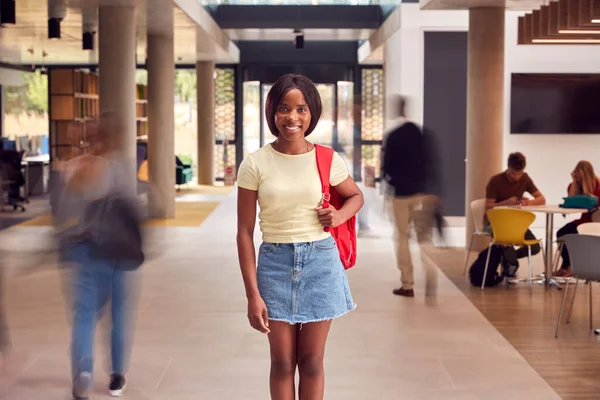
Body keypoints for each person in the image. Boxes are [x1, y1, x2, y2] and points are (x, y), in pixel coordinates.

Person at [236, 74, 363, 400]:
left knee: (311, 362)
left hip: (321, 262)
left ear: (312, 113)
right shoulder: (255, 164)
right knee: (281, 362)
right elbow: (244, 233)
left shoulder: (327, 159)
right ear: (272, 112)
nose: (292, 117)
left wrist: (338, 216)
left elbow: (355, 197)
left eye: (301, 109)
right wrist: (253, 294)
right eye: (284, 108)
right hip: (274, 264)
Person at [53, 114, 143, 400]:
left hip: (84, 253)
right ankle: (117, 377)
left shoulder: (75, 169)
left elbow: (63, 213)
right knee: (118, 316)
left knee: (84, 316)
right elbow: (134, 208)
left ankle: (84, 373)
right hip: (117, 252)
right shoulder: (120, 169)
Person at [382, 95, 438, 298]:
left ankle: (407, 284)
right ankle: (431, 275)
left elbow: (386, 166)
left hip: (401, 195)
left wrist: (390, 179)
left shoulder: (394, 136)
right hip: (423, 194)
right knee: (425, 238)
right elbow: (433, 163)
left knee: (402, 237)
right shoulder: (423, 134)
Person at [484, 152, 546, 277]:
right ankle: (510, 262)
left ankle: (508, 260)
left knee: (535, 247)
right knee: (507, 243)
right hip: (495, 223)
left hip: (515, 223)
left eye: (519, 173)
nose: (516, 177)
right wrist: (505, 203)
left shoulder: (525, 178)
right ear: (508, 168)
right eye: (513, 173)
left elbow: (541, 199)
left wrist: (527, 202)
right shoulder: (496, 180)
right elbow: (488, 207)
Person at [554, 161, 600, 277]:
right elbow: (570, 200)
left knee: (569, 234)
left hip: (593, 224)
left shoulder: (597, 186)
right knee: (561, 233)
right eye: (576, 177)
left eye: (580, 178)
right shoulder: (575, 185)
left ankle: (569, 268)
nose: (578, 180)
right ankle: (565, 267)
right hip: (583, 221)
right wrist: (575, 182)